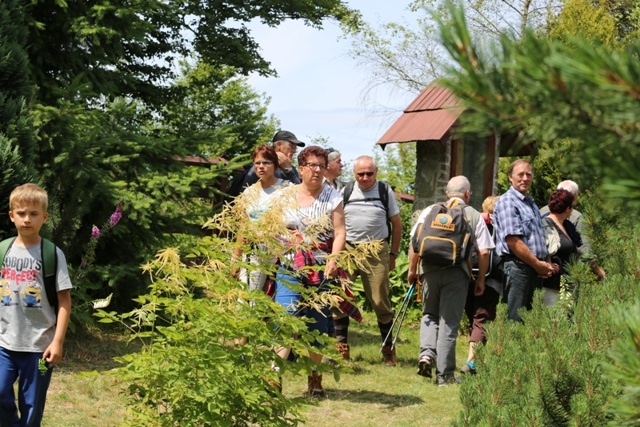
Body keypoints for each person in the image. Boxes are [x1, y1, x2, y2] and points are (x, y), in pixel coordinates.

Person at [273, 146, 346, 397]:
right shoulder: (286, 195)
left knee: (316, 323)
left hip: (319, 268)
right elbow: (273, 226)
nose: (317, 170)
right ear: (301, 168)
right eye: (312, 165)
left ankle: (315, 378)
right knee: (285, 317)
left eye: (321, 166)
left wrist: (334, 259)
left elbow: (339, 232)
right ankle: (274, 377)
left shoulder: (332, 197)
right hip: (289, 265)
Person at [408, 176, 493, 386]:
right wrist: (480, 278)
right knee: (449, 322)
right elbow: (483, 252)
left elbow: (414, 242)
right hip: (457, 273)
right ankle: (444, 375)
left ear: (447, 193)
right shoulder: (473, 214)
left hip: (429, 270)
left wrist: (412, 270)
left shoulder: (431, 210)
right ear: (467, 194)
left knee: (430, 314)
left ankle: (426, 355)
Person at [0, 183, 72, 426]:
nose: (27, 219)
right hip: (4, 345)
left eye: (33, 214)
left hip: (39, 348)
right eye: (21, 213)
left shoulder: (52, 253)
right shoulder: (3, 251)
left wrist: (58, 341)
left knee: (32, 408)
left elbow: (64, 301)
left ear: (45, 217)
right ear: (12, 216)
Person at [331, 155, 402, 365]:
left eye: (369, 173)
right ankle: (341, 347)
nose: (365, 178)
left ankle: (388, 349)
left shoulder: (383, 190)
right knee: (340, 297)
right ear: (354, 174)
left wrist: (393, 255)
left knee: (380, 300)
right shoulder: (345, 191)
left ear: (376, 172)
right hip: (348, 250)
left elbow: (397, 225)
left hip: (377, 250)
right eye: (360, 174)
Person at [493, 159, 558, 322]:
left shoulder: (531, 203)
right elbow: (513, 241)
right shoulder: (508, 201)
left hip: (534, 270)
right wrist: (538, 264)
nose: (525, 178)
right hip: (518, 268)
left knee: (531, 322)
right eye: (520, 174)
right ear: (510, 177)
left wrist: (546, 262)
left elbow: (538, 238)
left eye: (528, 174)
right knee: (516, 321)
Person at [232, 145, 290, 294]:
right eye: (257, 163)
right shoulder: (249, 192)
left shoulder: (286, 189)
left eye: (266, 163)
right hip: (254, 253)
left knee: (276, 304)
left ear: (275, 165)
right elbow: (244, 227)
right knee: (247, 300)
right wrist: (236, 259)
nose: (261, 167)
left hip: (281, 255)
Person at [461, 195, 502, 375]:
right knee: (482, 318)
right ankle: (470, 363)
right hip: (491, 278)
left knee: (474, 317)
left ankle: (475, 361)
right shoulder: (502, 226)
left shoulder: (474, 221)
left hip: (469, 275)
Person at [540, 180, 605, 280]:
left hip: (542, 278)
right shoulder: (576, 216)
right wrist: (598, 271)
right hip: (561, 278)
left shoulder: (540, 212)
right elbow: (583, 249)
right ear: (574, 196)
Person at [541, 189, 580, 306]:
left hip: (566, 286)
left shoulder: (567, 226)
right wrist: (547, 262)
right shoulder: (545, 224)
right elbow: (540, 247)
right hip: (550, 286)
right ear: (567, 209)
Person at [235, 130, 305, 192]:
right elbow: (243, 197)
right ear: (279, 145)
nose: (294, 150)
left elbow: (300, 193)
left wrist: (289, 171)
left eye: (295, 147)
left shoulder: (290, 168)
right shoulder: (260, 167)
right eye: (292, 146)